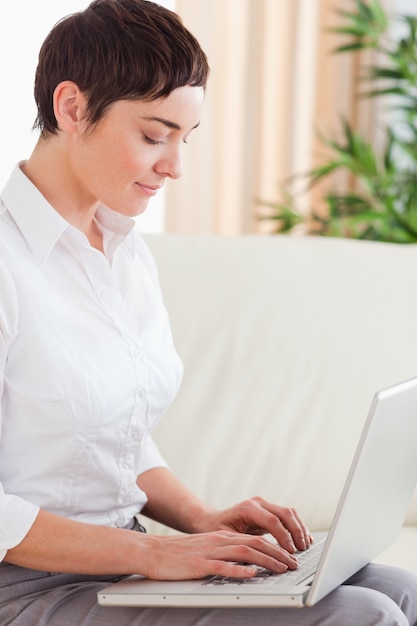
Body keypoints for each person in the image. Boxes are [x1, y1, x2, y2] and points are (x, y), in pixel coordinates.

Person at [0, 1, 416, 624]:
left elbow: (110, 436)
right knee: (361, 615)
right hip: (26, 587)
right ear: (71, 107)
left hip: (123, 561)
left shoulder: (124, 254)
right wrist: (156, 553)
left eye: (185, 138)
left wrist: (200, 520)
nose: (176, 165)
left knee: (400, 590)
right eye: (153, 135)